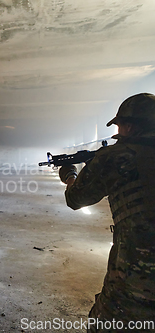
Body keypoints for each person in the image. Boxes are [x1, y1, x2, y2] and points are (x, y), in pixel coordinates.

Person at [59, 93, 155, 332]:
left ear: (130, 126)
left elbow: (76, 199)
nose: (118, 132)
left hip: (138, 273)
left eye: (119, 126)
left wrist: (70, 175)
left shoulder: (116, 157)